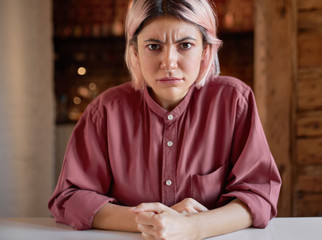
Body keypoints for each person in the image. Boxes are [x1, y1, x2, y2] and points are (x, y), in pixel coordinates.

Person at [48, 0, 282, 239]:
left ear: (205, 51)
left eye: (185, 45)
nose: (168, 62)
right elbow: (70, 198)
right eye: (153, 46)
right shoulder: (105, 111)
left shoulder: (234, 101)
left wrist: (192, 227)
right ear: (135, 51)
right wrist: (156, 220)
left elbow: (260, 195)